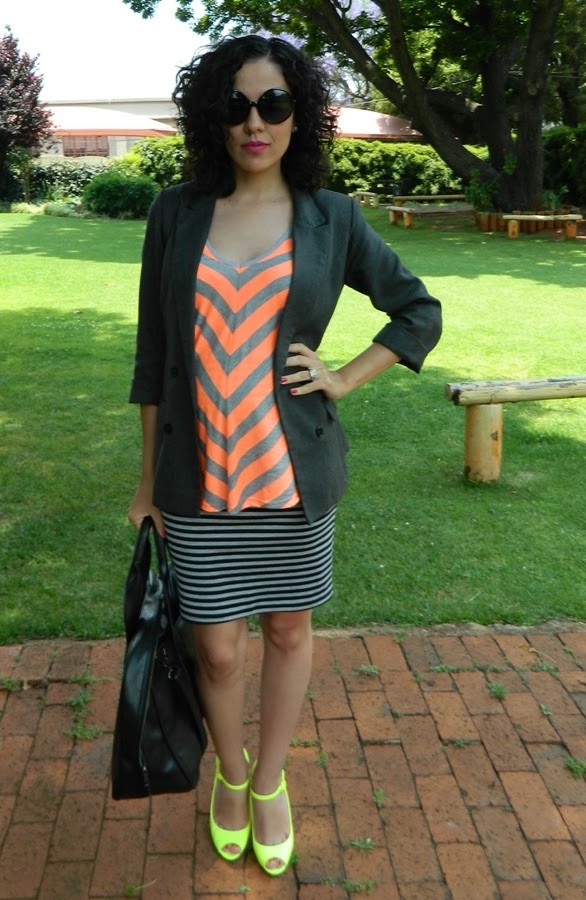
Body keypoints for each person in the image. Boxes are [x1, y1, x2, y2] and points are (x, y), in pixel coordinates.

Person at [127, 34, 442, 877]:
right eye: (235, 106)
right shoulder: (176, 213)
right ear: (213, 118)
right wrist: (146, 482)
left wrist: (344, 376)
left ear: (299, 115)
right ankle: (229, 774)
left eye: (273, 104)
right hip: (198, 480)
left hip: (291, 478)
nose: (254, 123)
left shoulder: (331, 217)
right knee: (217, 648)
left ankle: (268, 782)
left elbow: (417, 310)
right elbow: (154, 355)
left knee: (289, 629)